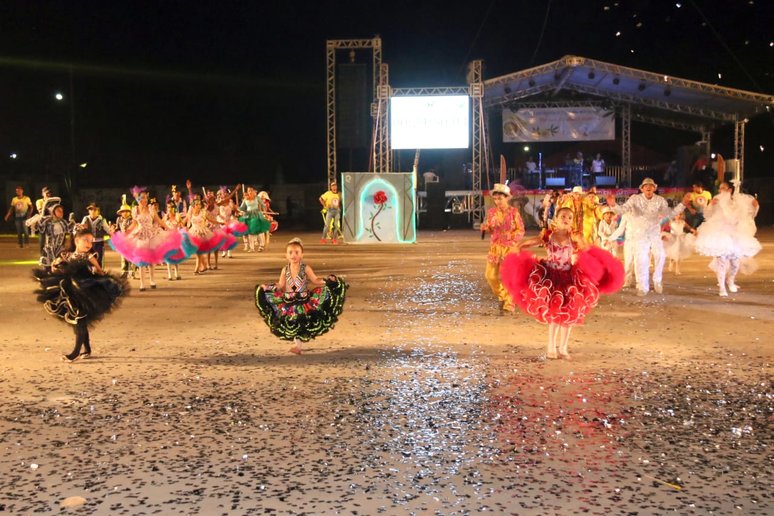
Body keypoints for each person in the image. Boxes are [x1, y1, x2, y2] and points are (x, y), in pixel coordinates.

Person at [500, 207, 624, 359]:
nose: (567, 219)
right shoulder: (548, 235)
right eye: (563, 216)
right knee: (554, 313)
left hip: (570, 277)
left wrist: (581, 241)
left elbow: (587, 249)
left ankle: (564, 348)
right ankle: (551, 347)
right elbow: (531, 242)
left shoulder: (574, 237)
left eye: (570, 217)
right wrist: (518, 247)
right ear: (556, 219)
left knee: (570, 313)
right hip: (550, 277)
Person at [33, 227, 129, 362]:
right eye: (86, 240)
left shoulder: (89, 256)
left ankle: (76, 352)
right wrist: (56, 266)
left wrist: (96, 272)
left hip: (86, 292)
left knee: (80, 321)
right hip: (70, 294)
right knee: (78, 321)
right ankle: (87, 349)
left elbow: (100, 272)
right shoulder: (67, 255)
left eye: (91, 241)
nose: (89, 244)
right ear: (76, 240)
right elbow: (56, 268)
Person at [255, 237, 347, 355]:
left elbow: (315, 280)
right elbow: (281, 285)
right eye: (290, 252)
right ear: (286, 255)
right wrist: (267, 287)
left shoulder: (305, 268)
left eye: (297, 252)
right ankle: (297, 345)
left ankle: (298, 346)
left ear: (302, 254)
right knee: (292, 322)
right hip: (288, 301)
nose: (293, 255)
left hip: (304, 301)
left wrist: (328, 281)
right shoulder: (285, 269)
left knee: (301, 322)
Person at [606, 178, 691, 296]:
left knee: (660, 256)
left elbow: (669, 213)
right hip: (639, 236)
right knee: (641, 260)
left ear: (655, 188)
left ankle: (657, 281)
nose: (648, 187)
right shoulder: (634, 199)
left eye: (651, 186)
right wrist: (614, 205)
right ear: (641, 189)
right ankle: (642, 286)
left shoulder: (660, 200)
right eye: (646, 186)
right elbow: (622, 210)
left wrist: (682, 204)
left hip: (654, 234)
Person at [694, 181, 761, 297]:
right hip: (721, 234)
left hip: (735, 234)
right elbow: (707, 214)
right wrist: (711, 205)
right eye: (720, 188)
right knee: (722, 261)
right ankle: (722, 287)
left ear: (730, 190)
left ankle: (730, 281)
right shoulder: (717, 199)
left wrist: (755, 205)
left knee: (735, 263)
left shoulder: (738, 200)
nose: (720, 190)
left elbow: (750, 209)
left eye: (723, 188)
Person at [109, 189, 183, 291]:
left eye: (145, 198)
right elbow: (134, 224)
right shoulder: (135, 210)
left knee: (151, 260)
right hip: (140, 235)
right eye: (142, 198)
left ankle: (152, 280)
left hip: (151, 235)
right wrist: (127, 231)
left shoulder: (151, 208)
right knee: (141, 260)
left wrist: (169, 229)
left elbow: (159, 221)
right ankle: (142, 283)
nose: (144, 200)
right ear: (139, 199)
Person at [480, 183, 525, 314]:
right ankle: (502, 296)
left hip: (509, 248)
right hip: (495, 248)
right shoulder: (491, 213)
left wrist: (511, 238)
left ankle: (509, 303)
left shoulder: (514, 212)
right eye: (495, 199)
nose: (497, 201)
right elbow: (489, 227)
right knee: (490, 276)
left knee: (508, 277)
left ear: (507, 198)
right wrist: (485, 228)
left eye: (500, 198)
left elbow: (521, 230)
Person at [184, 194, 227, 275]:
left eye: (199, 204)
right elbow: (185, 221)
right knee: (197, 251)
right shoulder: (190, 213)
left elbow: (211, 220)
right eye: (196, 204)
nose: (198, 206)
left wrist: (220, 222)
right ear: (193, 206)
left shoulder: (203, 213)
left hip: (203, 233)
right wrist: (182, 224)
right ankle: (203, 266)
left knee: (198, 251)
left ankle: (197, 268)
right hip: (193, 233)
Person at [37, 203, 73, 270]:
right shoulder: (47, 222)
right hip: (49, 249)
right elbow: (41, 230)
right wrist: (40, 221)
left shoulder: (63, 222)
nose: (61, 213)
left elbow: (69, 229)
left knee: (60, 267)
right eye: (59, 211)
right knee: (47, 268)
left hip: (60, 249)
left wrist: (73, 223)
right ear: (53, 212)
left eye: (62, 211)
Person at [662, 211, 696, 276]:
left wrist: (693, 231)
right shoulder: (671, 222)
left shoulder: (683, 222)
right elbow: (665, 228)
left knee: (678, 254)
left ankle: (677, 270)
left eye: (680, 214)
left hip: (681, 238)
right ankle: (671, 261)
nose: (679, 216)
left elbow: (689, 228)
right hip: (673, 238)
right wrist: (664, 235)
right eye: (677, 215)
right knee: (673, 253)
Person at [239, 186, 271, 252]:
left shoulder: (257, 198)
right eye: (249, 191)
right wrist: (238, 210)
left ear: (254, 191)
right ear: (247, 192)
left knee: (259, 230)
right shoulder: (245, 199)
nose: (250, 192)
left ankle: (261, 246)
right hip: (248, 215)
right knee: (250, 232)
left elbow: (263, 205)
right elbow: (242, 208)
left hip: (257, 214)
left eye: (251, 190)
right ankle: (251, 248)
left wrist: (265, 213)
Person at [112, 196, 135, 279]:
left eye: (126, 211)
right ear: (121, 213)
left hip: (131, 240)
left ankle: (132, 272)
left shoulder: (132, 220)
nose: (125, 213)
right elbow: (117, 228)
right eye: (123, 211)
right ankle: (124, 271)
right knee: (123, 256)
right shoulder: (119, 219)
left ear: (129, 212)